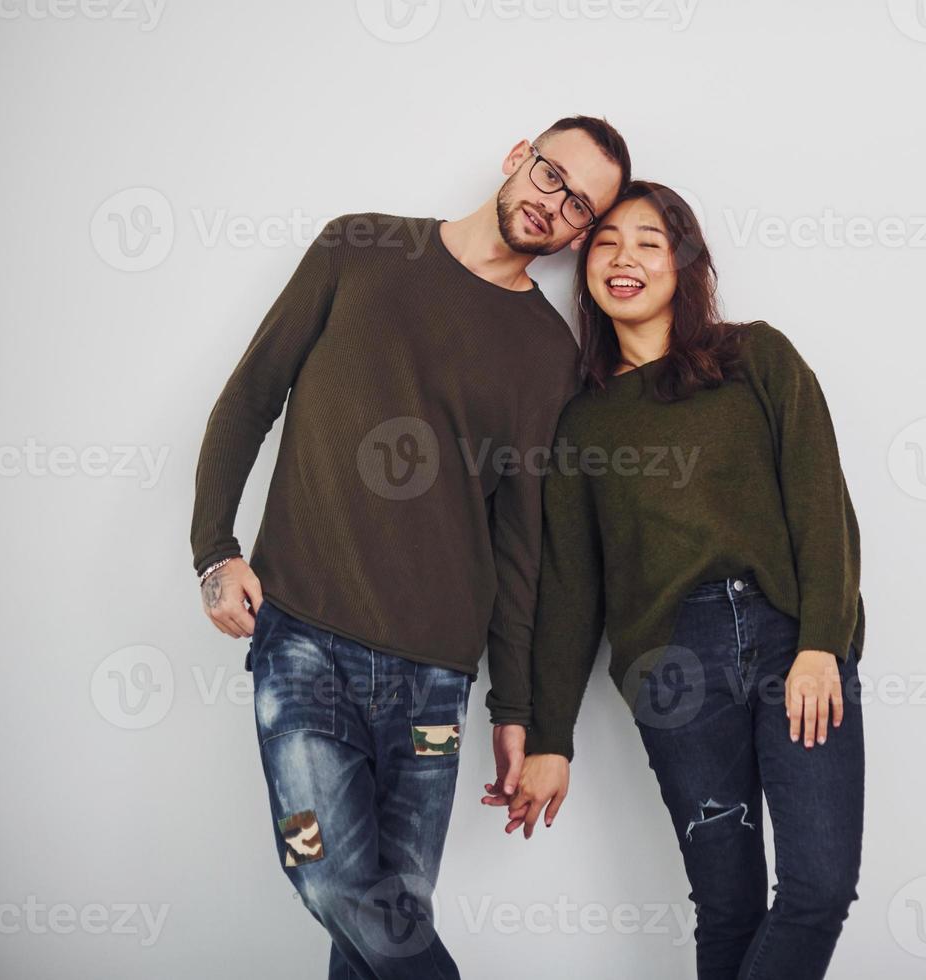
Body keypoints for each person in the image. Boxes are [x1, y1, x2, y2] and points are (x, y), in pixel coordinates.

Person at [190, 116, 630, 979]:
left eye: (579, 206)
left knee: (383, 929)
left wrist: (514, 707)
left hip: (435, 676)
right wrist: (214, 549)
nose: (555, 206)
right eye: (551, 177)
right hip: (303, 638)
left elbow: (521, 546)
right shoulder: (360, 246)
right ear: (517, 158)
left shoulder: (549, 353)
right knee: (331, 878)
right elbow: (250, 397)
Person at [499, 181, 867, 980]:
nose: (623, 258)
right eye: (604, 243)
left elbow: (822, 506)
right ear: (586, 269)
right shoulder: (584, 423)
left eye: (649, 242)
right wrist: (550, 738)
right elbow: (568, 593)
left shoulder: (757, 358)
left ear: (684, 264)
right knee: (727, 906)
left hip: (788, 640)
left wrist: (821, 645)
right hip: (672, 670)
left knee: (819, 887)